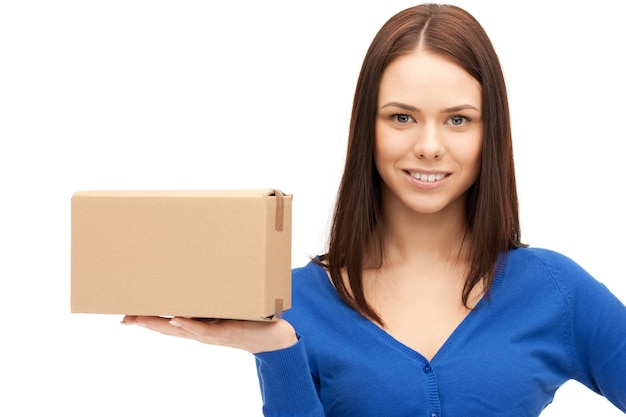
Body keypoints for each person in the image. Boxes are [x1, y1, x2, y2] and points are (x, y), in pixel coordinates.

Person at [122, 3, 626, 416]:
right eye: (402, 116)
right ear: (368, 127)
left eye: (457, 119)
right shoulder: (293, 301)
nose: (429, 145)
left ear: (490, 133)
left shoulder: (556, 290)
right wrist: (276, 348)